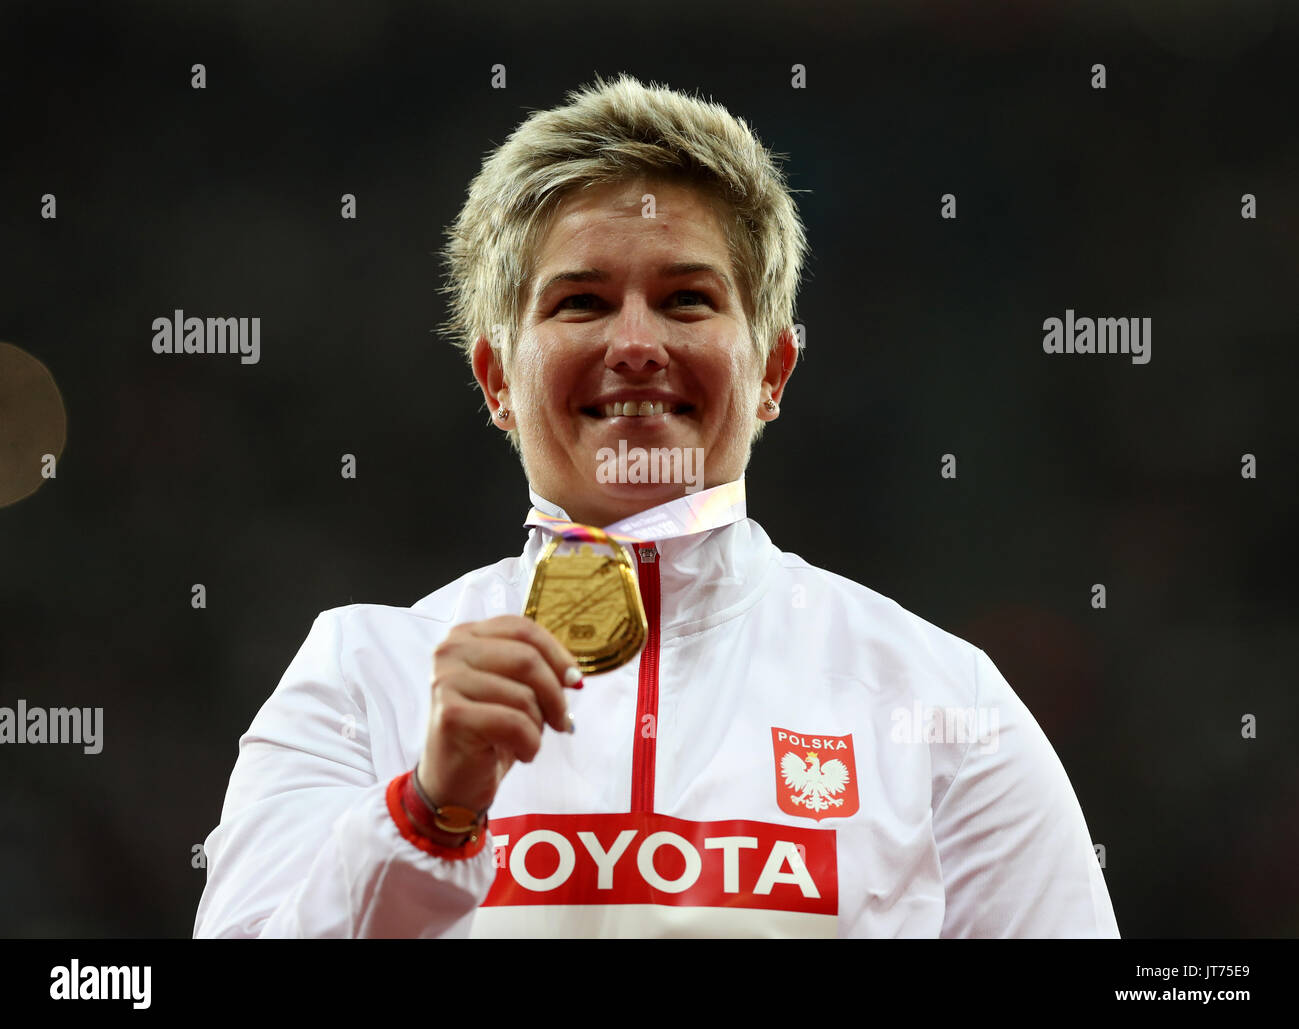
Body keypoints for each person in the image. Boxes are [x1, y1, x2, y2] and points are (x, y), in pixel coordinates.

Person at [193, 74, 1119, 938]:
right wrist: (429, 807)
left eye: (686, 299)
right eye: (581, 302)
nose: (636, 344)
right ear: (496, 381)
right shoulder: (367, 678)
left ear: (773, 371)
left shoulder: (940, 702)